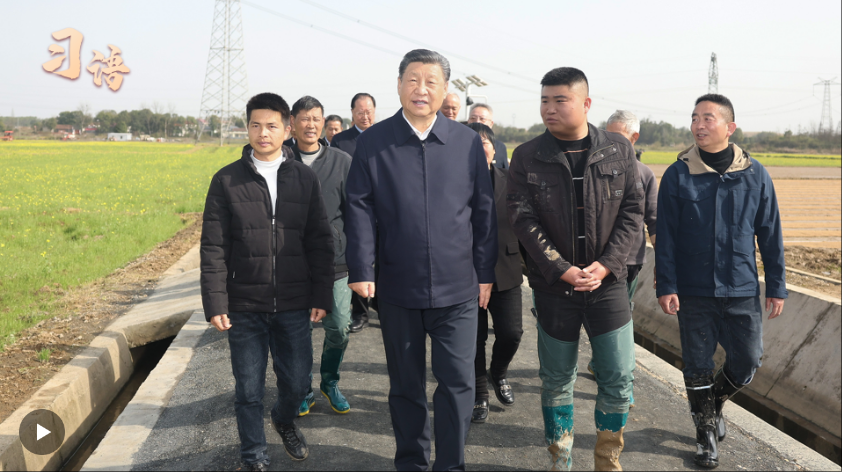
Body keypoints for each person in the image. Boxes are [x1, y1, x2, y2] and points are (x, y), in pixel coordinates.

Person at [345, 49, 497, 471]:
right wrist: (361, 267)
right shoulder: (374, 142)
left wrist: (485, 272)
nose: (421, 89)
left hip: (458, 288)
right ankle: (412, 463)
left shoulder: (466, 142)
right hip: (398, 285)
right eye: (413, 80)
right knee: (405, 386)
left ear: (445, 89)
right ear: (398, 85)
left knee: (458, 384)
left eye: (431, 81)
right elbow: (358, 207)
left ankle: (451, 464)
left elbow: (483, 211)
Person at [507, 67, 642, 471]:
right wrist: (561, 268)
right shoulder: (528, 155)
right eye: (544, 101)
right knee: (556, 379)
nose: (549, 108)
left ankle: (607, 461)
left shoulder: (618, 150)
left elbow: (632, 211)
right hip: (555, 288)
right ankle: (560, 460)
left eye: (559, 100)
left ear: (585, 103)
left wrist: (607, 265)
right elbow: (522, 219)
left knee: (618, 376)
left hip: (608, 286)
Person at [200, 92, 334, 470]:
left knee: (297, 383)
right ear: (247, 128)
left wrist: (322, 294)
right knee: (248, 388)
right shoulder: (226, 180)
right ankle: (253, 455)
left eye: (272, 125)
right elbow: (213, 246)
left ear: (287, 129)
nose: (263, 133)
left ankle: (283, 418)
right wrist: (216, 301)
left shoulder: (304, 178)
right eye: (255, 125)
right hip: (245, 304)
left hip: (294, 302)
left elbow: (320, 241)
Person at [656, 94, 786, 469]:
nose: (698, 125)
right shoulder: (678, 174)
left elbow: (771, 235)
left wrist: (777, 285)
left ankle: (713, 402)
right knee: (697, 364)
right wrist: (666, 284)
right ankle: (705, 434)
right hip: (693, 288)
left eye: (707, 118)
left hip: (741, 286)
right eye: (694, 118)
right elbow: (666, 237)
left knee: (748, 361)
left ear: (729, 127)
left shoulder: (755, 175)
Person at [585, 110, 658, 410]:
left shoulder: (644, 173)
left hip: (628, 261)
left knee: (622, 319)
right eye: (607, 136)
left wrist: (664, 266)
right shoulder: (592, 168)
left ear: (634, 138)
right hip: (596, 261)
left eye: (618, 137)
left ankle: (621, 382)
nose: (610, 143)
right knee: (597, 318)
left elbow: (654, 220)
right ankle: (604, 366)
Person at [287, 96, 354, 416]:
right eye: (304, 118)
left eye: (316, 118)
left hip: (334, 261)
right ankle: (302, 388)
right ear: (292, 123)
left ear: (323, 123)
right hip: (291, 263)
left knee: (339, 327)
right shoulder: (279, 159)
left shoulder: (341, 161)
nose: (310, 125)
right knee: (296, 332)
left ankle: (330, 381)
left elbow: (355, 212)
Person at [466, 122, 523, 424]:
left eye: (484, 142)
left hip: (506, 269)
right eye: (472, 143)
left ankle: (498, 372)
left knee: (511, 333)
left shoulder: (511, 181)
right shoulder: (453, 183)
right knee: (474, 339)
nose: (479, 148)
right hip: (467, 273)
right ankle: (480, 393)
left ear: (494, 149)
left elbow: (527, 224)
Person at [332, 92, 377, 333]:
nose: (365, 116)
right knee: (358, 259)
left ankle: (383, 304)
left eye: (369, 111)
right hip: (353, 208)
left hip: (381, 208)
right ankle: (360, 312)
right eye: (360, 112)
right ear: (352, 113)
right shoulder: (341, 141)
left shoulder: (384, 136)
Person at [467, 103, 509, 169]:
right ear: (468, 121)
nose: (477, 122)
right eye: (473, 118)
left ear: (491, 124)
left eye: (482, 119)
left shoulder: (500, 147)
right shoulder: (460, 143)